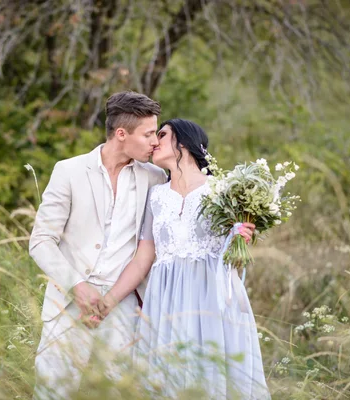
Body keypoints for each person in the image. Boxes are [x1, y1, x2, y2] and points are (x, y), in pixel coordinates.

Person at [100, 119, 271, 399]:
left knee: (212, 373)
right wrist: (108, 301)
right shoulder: (156, 196)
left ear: (184, 143)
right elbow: (143, 258)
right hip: (165, 300)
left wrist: (242, 235)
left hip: (212, 296)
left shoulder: (224, 190)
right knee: (169, 376)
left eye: (162, 135)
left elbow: (239, 254)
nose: (155, 141)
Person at [29, 91, 167, 399]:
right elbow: (41, 241)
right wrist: (77, 285)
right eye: (147, 134)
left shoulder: (156, 177)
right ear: (121, 134)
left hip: (123, 308)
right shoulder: (69, 171)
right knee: (52, 392)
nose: (155, 142)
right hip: (67, 304)